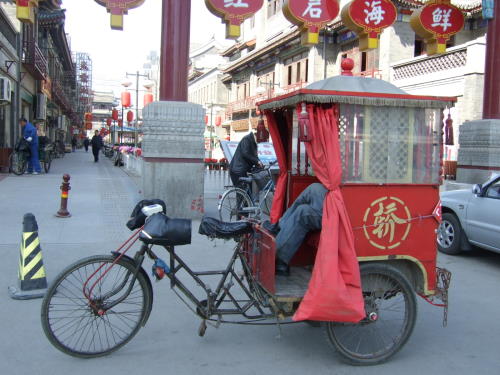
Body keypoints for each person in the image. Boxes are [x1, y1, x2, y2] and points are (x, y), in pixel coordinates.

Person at [263, 183, 328, 276]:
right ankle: (281, 226)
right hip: (332, 194)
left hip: (336, 203)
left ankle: (278, 255)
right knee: (306, 201)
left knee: (306, 205)